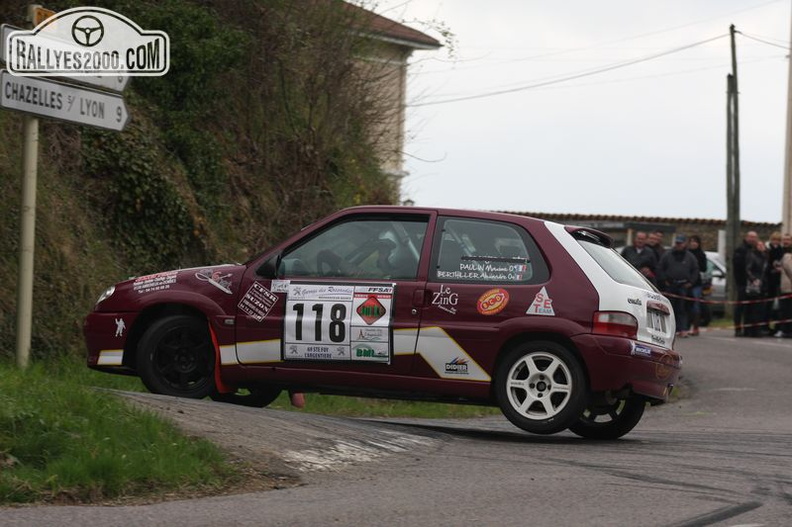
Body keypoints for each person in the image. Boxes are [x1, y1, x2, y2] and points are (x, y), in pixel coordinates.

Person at [657, 234, 699, 338]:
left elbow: (695, 270)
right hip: (670, 285)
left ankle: (683, 329)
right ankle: (669, 330)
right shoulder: (667, 254)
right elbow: (660, 268)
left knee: (683, 309)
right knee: (670, 309)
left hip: (683, 286)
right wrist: (664, 280)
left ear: (685, 244)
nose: (678, 245)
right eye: (677, 243)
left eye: (680, 243)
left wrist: (690, 283)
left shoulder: (690, 256)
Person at [732, 231, 758, 336]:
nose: (752, 239)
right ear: (746, 237)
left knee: (750, 308)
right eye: (750, 237)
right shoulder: (740, 250)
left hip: (753, 284)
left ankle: (747, 329)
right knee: (740, 307)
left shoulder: (755, 250)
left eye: (754, 237)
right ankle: (738, 328)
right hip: (742, 283)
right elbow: (739, 267)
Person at [743, 240, 769, 337]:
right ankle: (752, 330)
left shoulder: (765, 257)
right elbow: (748, 269)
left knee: (760, 308)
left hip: (763, 283)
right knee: (753, 308)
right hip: (754, 284)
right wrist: (753, 279)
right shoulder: (752, 255)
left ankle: (756, 329)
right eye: (759, 245)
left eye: (762, 244)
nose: (761, 246)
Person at [686, 235, 708, 336]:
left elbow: (704, 268)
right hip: (685, 281)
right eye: (691, 241)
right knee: (685, 305)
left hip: (696, 283)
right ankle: (685, 327)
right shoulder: (685, 253)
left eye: (695, 242)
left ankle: (695, 327)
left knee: (696, 305)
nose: (693, 243)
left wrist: (696, 265)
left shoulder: (701, 254)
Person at [765, 231, 784, 330]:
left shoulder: (781, 250)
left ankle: (778, 326)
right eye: (774, 240)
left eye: (778, 240)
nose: (776, 242)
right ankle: (765, 326)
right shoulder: (767, 249)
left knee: (780, 305)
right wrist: (772, 269)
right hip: (769, 280)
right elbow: (766, 264)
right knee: (768, 304)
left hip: (779, 280)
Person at [778, 249, 792, 337]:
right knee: (787, 310)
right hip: (788, 287)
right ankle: (786, 330)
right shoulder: (787, 257)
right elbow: (789, 269)